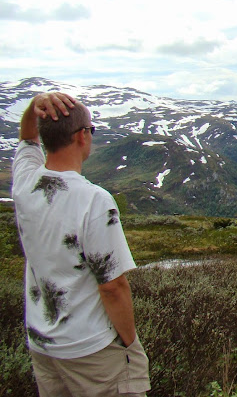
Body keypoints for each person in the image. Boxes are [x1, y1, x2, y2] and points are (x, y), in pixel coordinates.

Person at [11, 92, 151, 397]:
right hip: (91, 351)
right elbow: (112, 287)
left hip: (43, 346)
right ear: (82, 136)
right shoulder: (94, 200)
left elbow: (26, 140)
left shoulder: (24, 183)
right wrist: (130, 343)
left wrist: (34, 106)